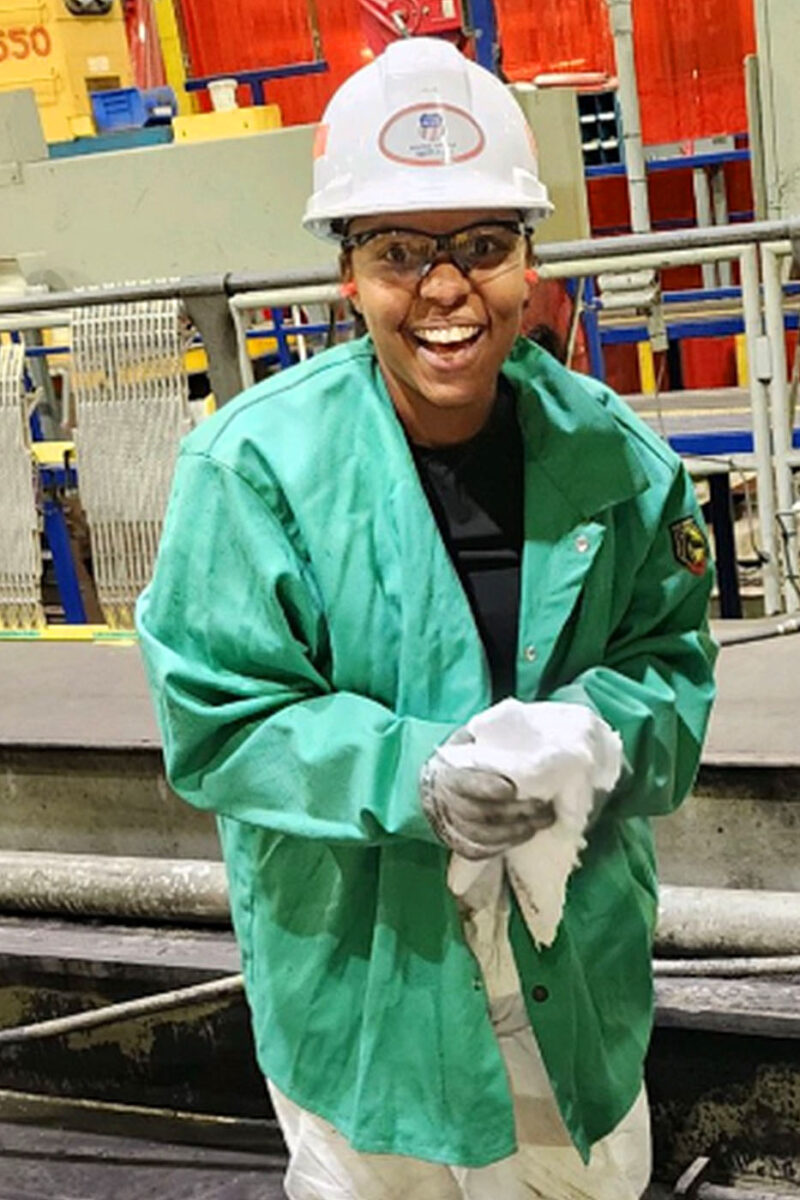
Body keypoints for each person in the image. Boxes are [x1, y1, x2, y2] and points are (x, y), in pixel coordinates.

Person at [136, 36, 717, 1200]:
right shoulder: (254, 472)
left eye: (482, 247)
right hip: (370, 992)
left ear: (527, 264)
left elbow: (670, 669)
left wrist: (593, 735)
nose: (445, 291)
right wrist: (428, 770)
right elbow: (219, 725)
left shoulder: (617, 461)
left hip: (569, 976)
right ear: (345, 272)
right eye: (400, 251)